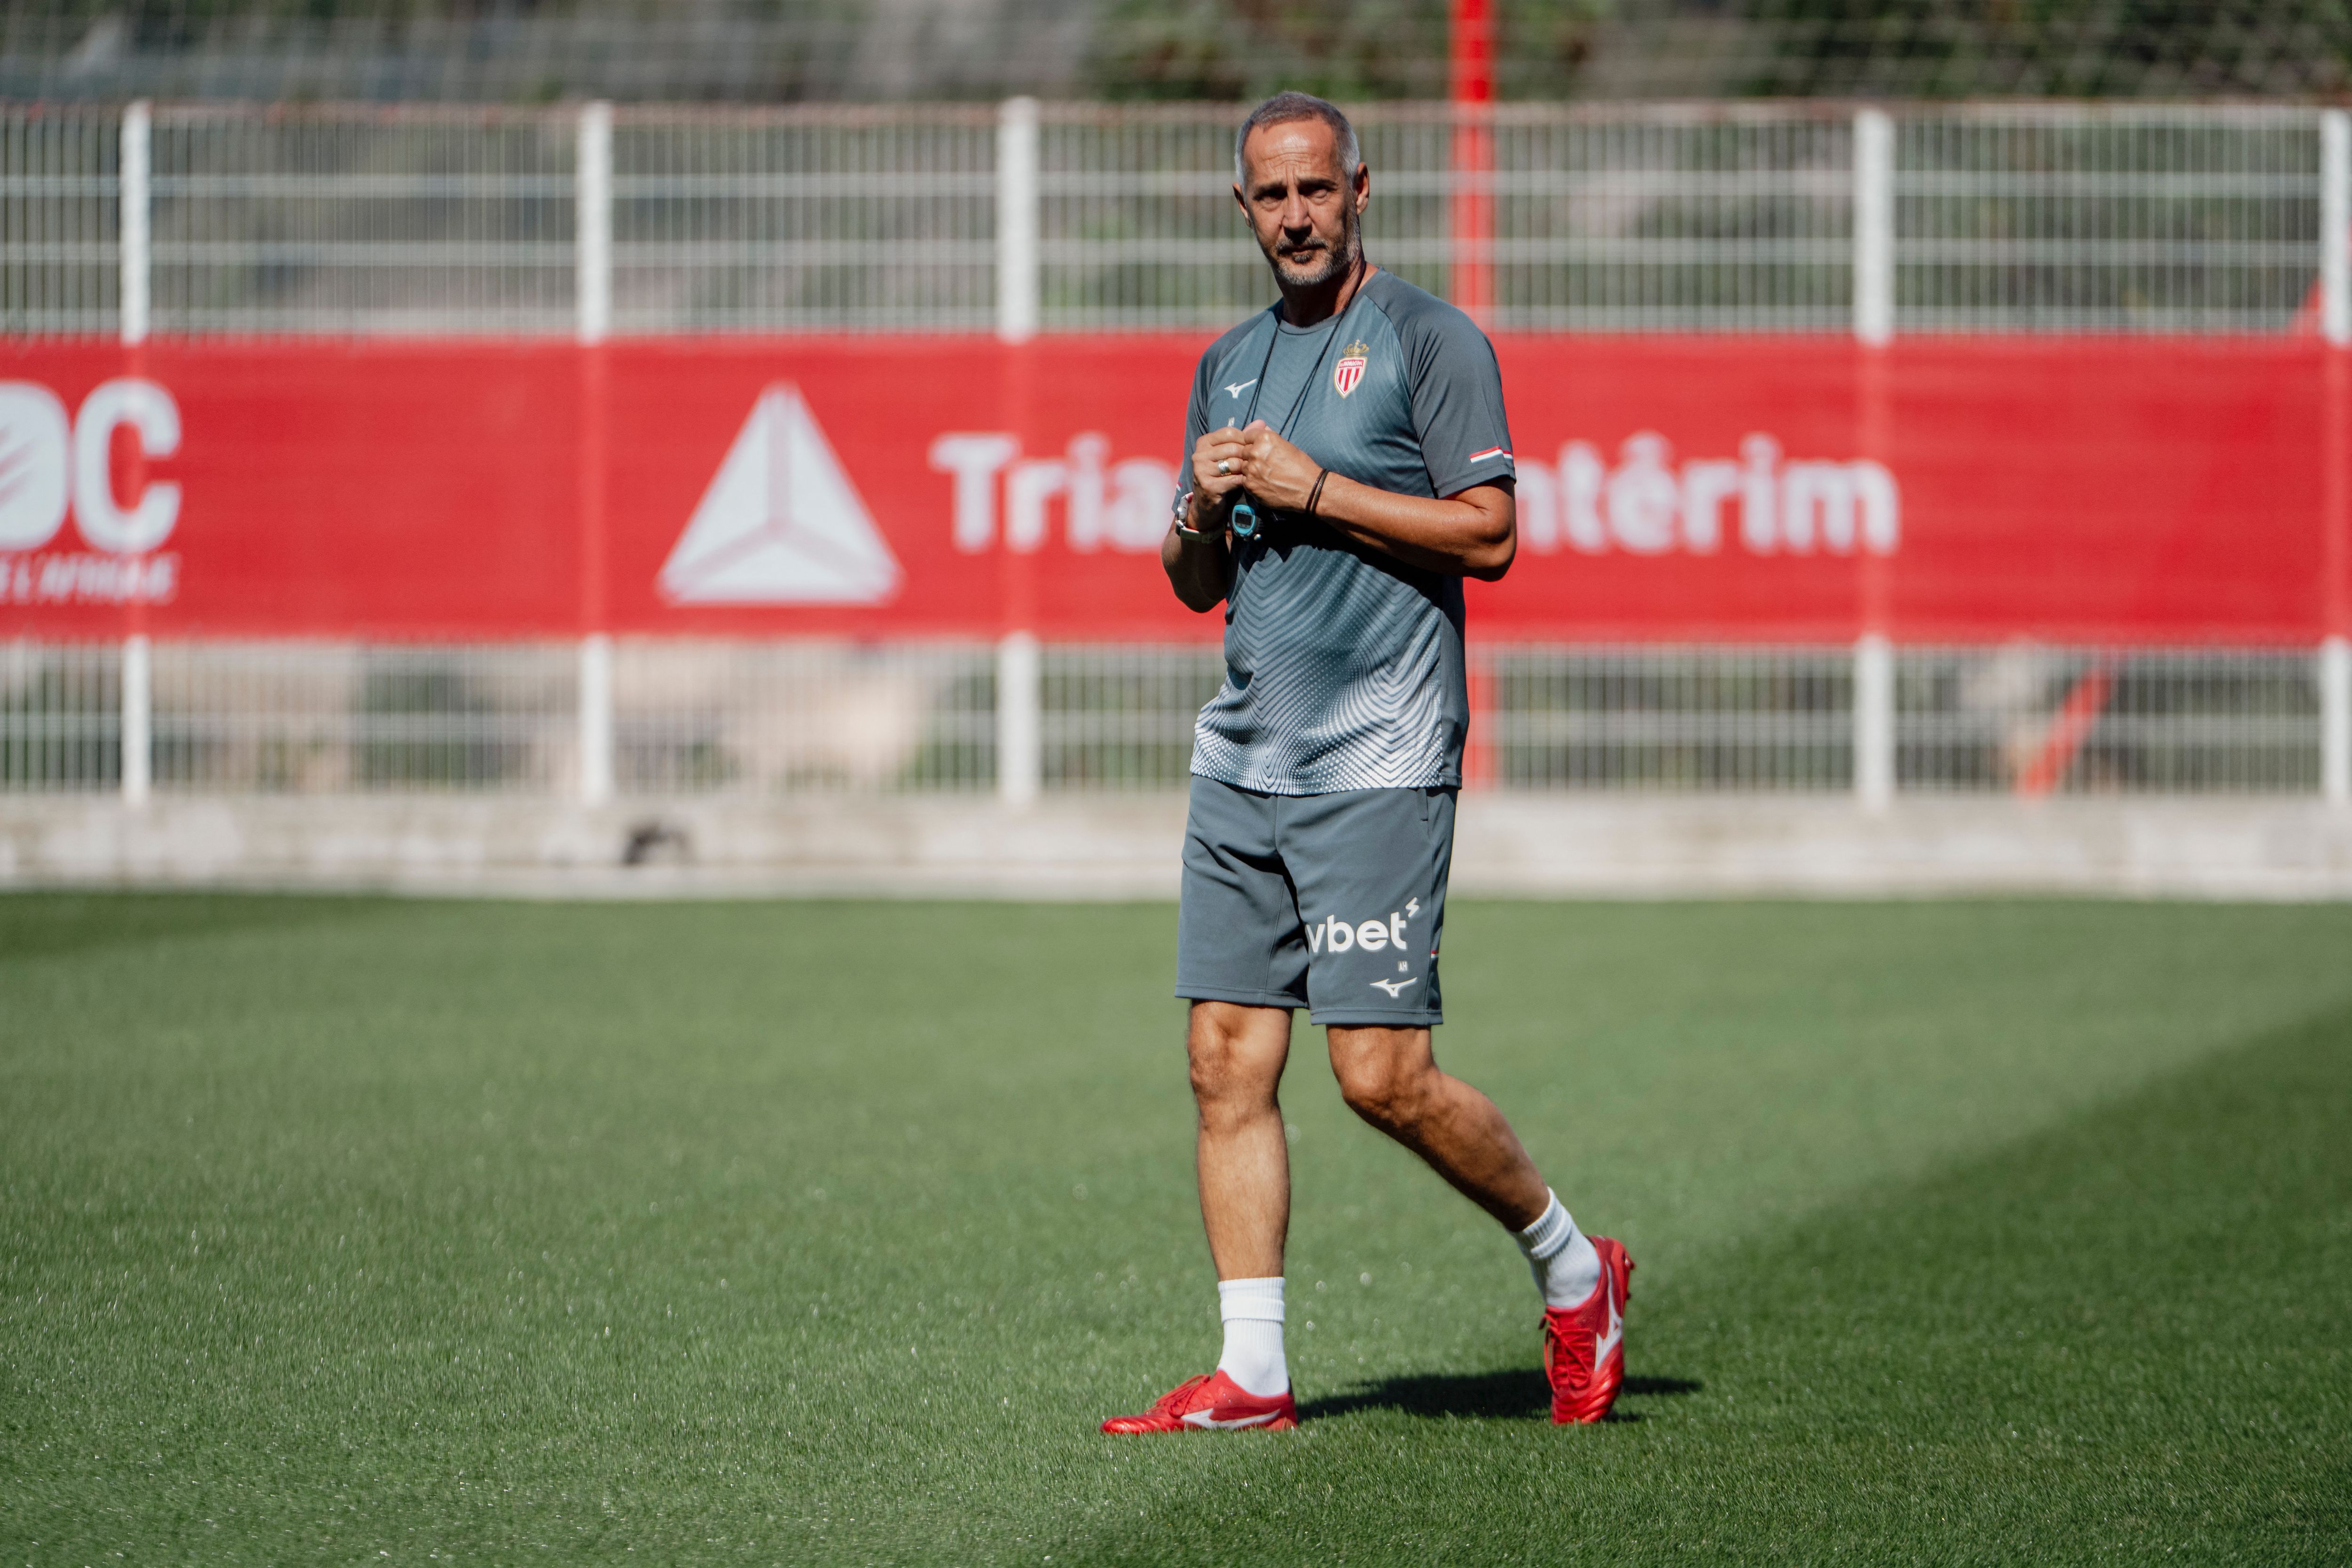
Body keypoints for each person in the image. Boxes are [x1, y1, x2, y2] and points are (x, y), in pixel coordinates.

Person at [1100, 92, 1632, 1437]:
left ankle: (1576, 1274)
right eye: (1270, 196)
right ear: (1243, 210)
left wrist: (1313, 491)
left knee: (1379, 1077)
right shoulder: (1224, 363)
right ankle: (1254, 1375)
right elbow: (1192, 581)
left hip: (1382, 759)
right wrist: (1192, 511)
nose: (1294, 216)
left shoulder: (1427, 339)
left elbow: (1493, 534)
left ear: (1358, 192)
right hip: (1242, 759)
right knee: (1224, 1059)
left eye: (1315, 191)